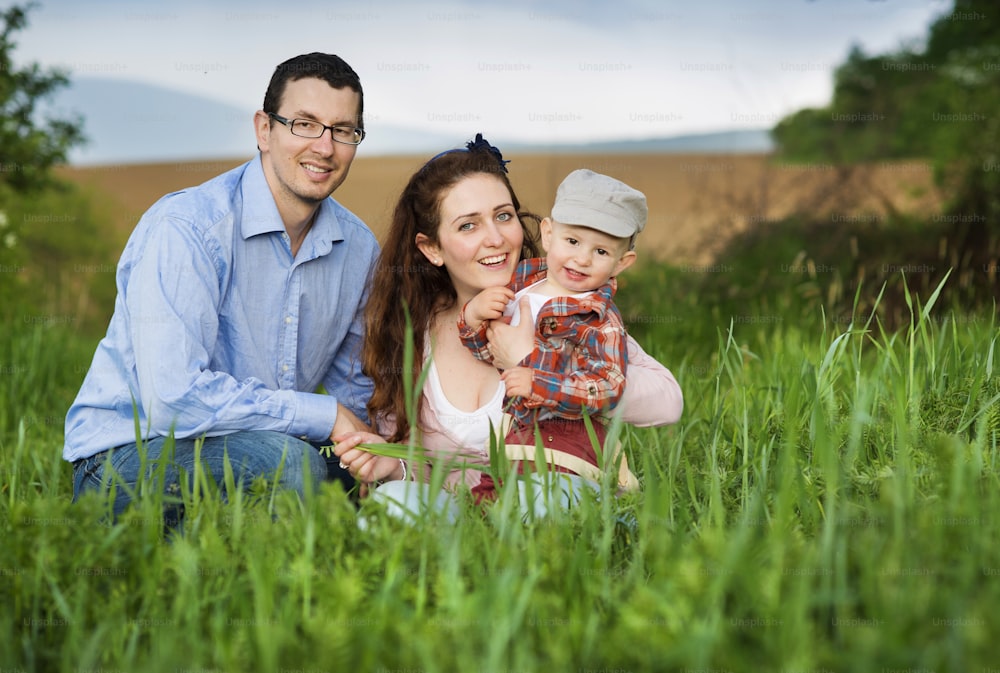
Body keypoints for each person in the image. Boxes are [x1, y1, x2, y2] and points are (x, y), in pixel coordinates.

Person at [64, 52, 377, 520]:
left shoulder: (359, 248)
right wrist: (323, 415)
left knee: (368, 480)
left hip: (270, 447)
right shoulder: (187, 227)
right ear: (263, 130)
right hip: (129, 456)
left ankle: (262, 559)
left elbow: (352, 391)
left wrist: (364, 453)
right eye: (305, 124)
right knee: (290, 468)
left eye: (343, 131)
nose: (325, 147)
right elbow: (172, 402)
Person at [333, 134, 682, 520]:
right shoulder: (413, 332)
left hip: (553, 498)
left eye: (503, 216)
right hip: (471, 514)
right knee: (391, 504)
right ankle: (455, 573)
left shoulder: (564, 308)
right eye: (468, 226)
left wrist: (533, 360)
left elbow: (668, 401)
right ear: (431, 248)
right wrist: (392, 466)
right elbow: (424, 468)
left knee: (539, 499)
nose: (496, 238)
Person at [456, 169, 645, 501]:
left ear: (621, 263)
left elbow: (610, 384)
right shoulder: (519, 285)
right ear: (547, 233)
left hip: (569, 443)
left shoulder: (599, 318)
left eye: (601, 252)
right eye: (572, 241)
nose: (582, 258)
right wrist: (473, 316)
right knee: (487, 507)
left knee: (545, 503)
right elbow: (489, 353)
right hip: (512, 437)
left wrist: (537, 381)